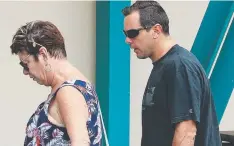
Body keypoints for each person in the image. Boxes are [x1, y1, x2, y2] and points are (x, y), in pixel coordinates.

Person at [122, 1, 222, 146]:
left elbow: (186, 134)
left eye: (133, 33)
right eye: (125, 34)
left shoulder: (179, 66)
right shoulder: (166, 65)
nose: (127, 40)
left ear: (156, 30)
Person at [10, 20, 102, 146]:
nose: (25, 72)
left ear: (42, 54)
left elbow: (81, 142)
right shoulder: (77, 85)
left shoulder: (68, 92)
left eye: (26, 64)